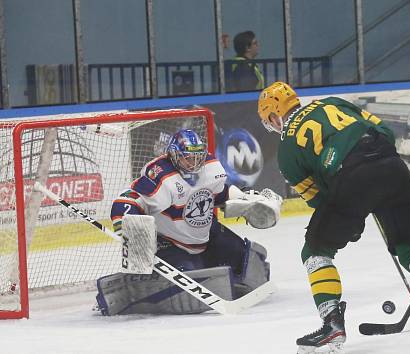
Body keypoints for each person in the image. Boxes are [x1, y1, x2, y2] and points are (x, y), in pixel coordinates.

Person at [257, 81, 410, 353]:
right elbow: (385, 132)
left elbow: (320, 201)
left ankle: (332, 326)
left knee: (315, 251)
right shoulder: (333, 102)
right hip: (393, 167)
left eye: (269, 120)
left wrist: (354, 212)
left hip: (352, 177)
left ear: (273, 115)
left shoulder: (286, 151)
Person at [95, 128, 282, 316]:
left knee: (242, 257)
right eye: (187, 158)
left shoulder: (211, 168)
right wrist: (124, 222)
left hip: (207, 236)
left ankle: (221, 273)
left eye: (197, 156)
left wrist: (243, 199)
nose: (194, 162)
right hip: (173, 243)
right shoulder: (162, 175)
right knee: (189, 275)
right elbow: (129, 198)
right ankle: (136, 290)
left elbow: (218, 193)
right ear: (175, 156)